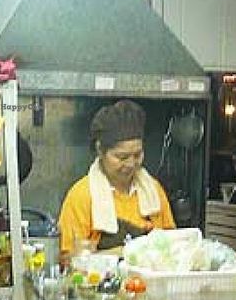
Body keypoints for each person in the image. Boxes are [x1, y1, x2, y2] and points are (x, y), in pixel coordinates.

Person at [58, 99, 174, 262]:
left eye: (137, 155)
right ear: (100, 150)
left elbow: (172, 248)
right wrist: (117, 254)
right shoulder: (81, 196)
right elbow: (68, 260)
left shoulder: (154, 191)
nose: (131, 164)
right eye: (122, 157)